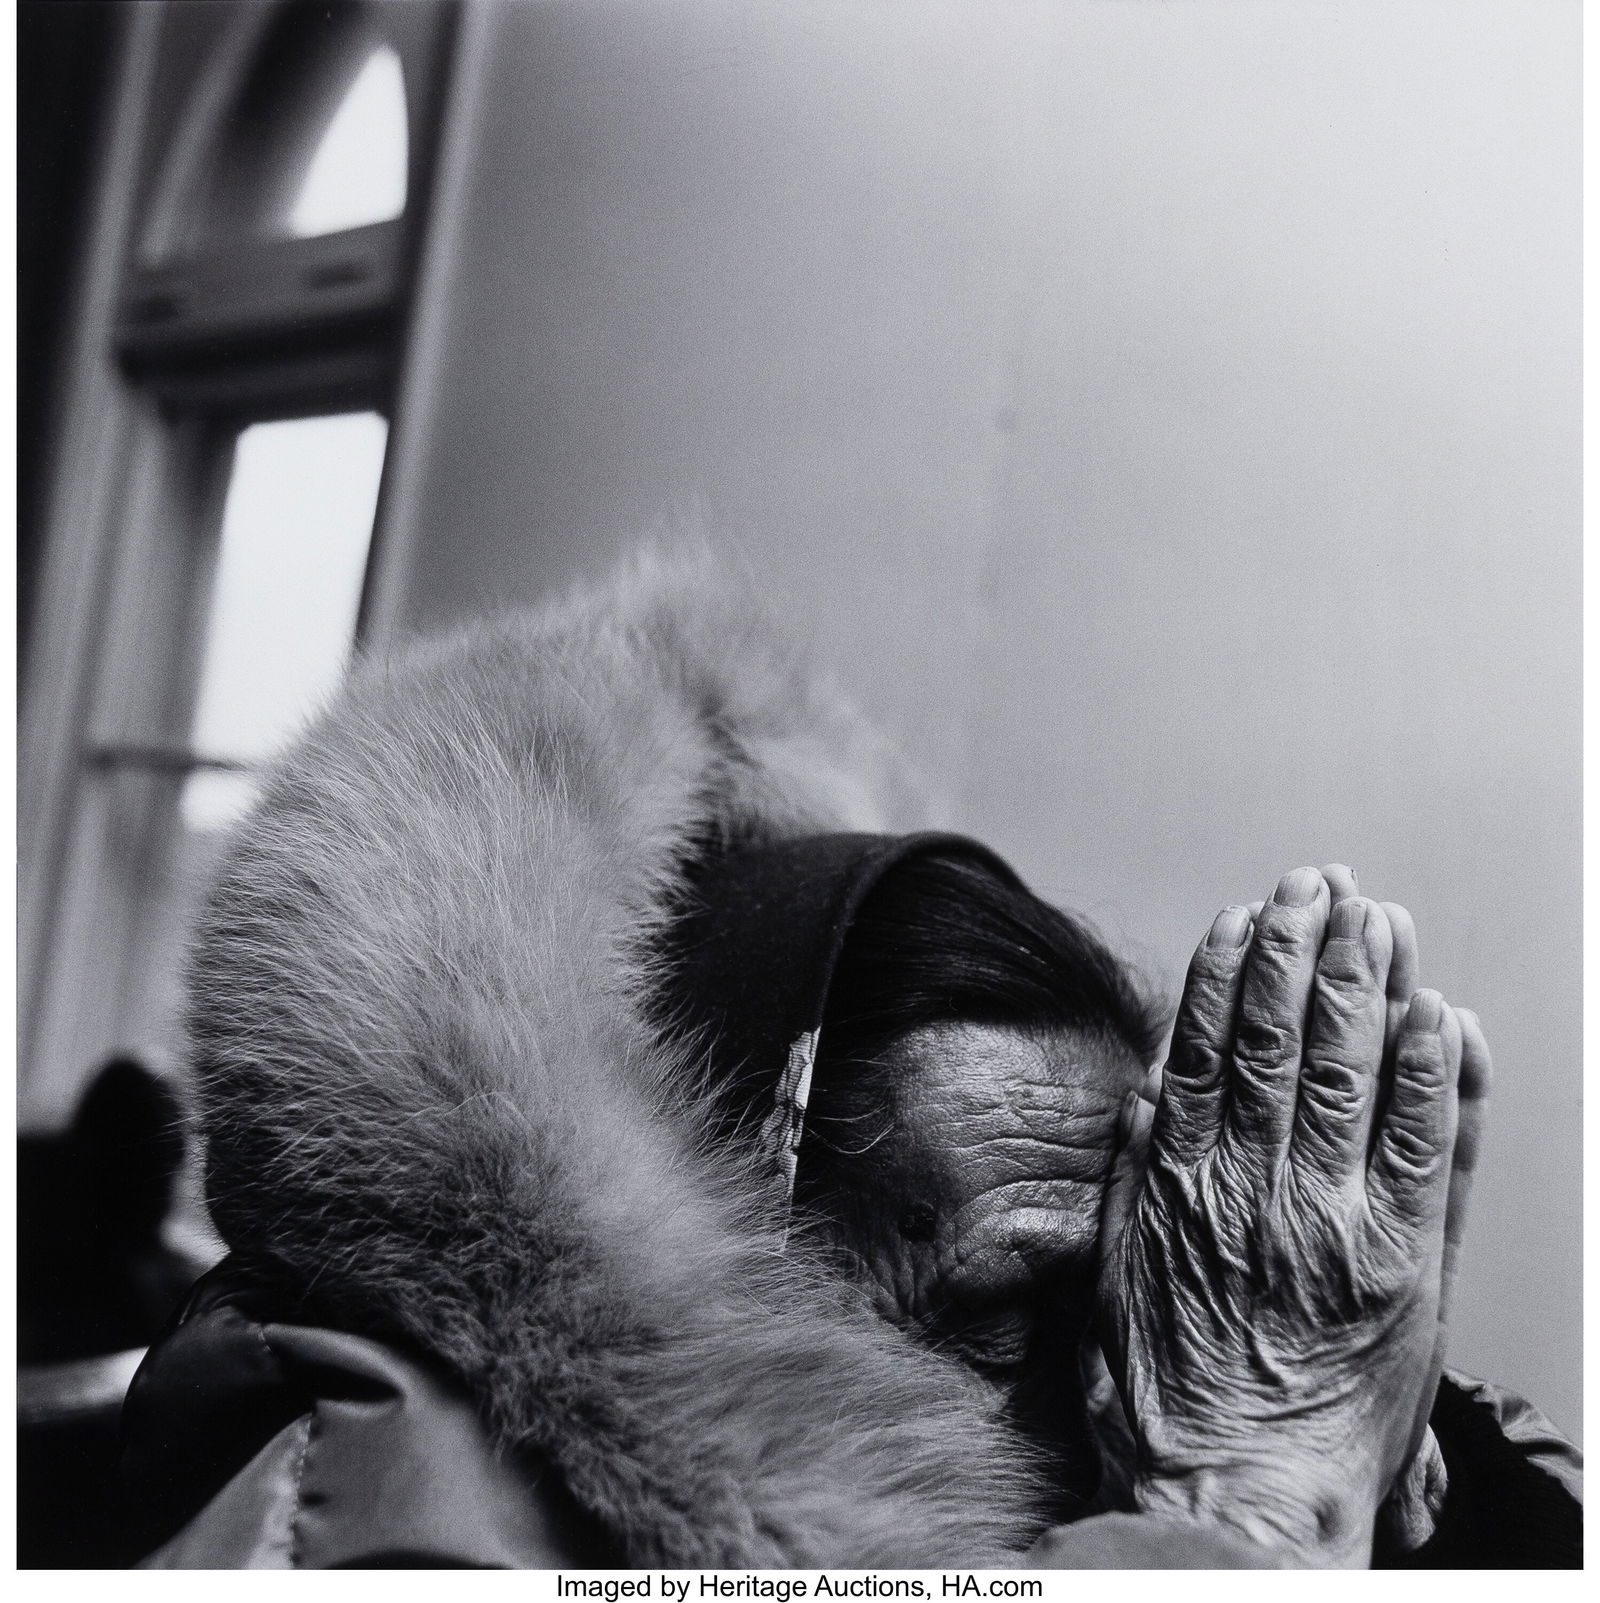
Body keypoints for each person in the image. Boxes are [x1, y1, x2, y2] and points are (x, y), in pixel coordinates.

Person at [120, 550, 1580, 1567]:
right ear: (709, 1253)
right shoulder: (376, 1517)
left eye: (1134, 1291)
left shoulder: (1132, 1401)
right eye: (1002, 1315)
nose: (1126, 1395)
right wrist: (1247, 1511)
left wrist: (1416, 1485)